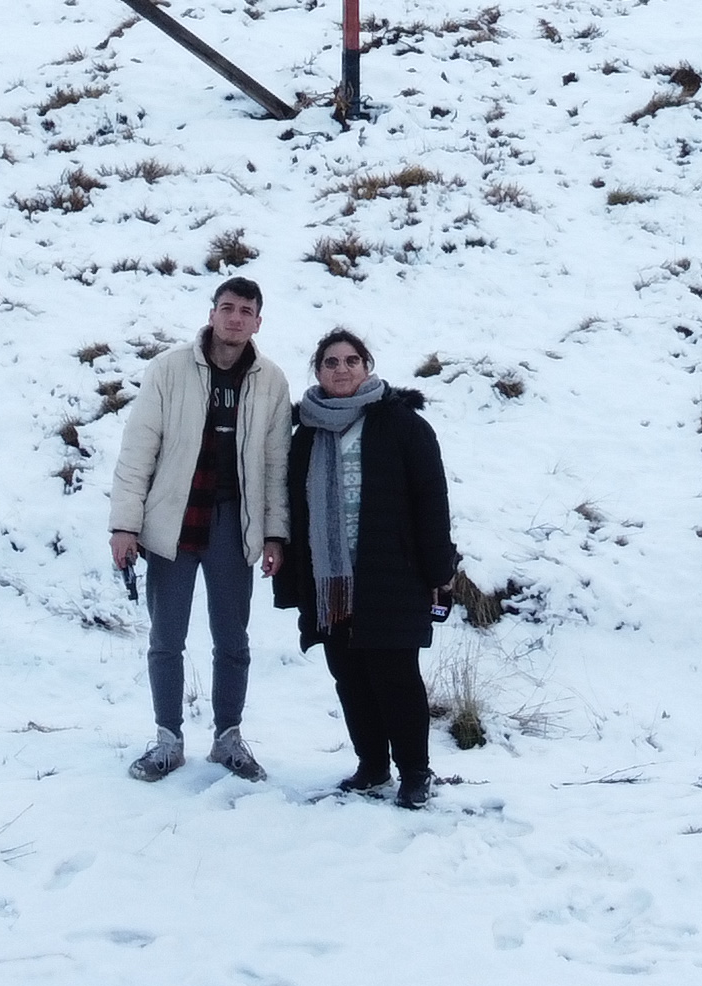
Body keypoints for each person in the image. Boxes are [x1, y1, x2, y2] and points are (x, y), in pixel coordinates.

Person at [107, 276, 292, 781]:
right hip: (173, 519)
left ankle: (227, 737)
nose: (235, 318)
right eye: (226, 307)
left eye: (246, 310)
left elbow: (276, 465)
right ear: (212, 314)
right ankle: (168, 738)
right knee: (167, 637)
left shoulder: (271, 380)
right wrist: (125, 523)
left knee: (233, 638)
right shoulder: (168, 370)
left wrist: (275, 534)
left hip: (233, 521)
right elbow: (137, 450)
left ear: (258, 321)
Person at [277, 327, 458, 808]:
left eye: (351, 361)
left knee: (395, 675)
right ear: (317, 371)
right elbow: (294, 507)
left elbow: (431, 501)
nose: (341, 370)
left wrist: (441, 570)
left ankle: (415, 772)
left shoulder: (402, 425)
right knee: (349, 675)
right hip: (330, 581)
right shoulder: (306, 432)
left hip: (391, 575)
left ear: (367, 367)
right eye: (331, 362)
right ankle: (372, 766)